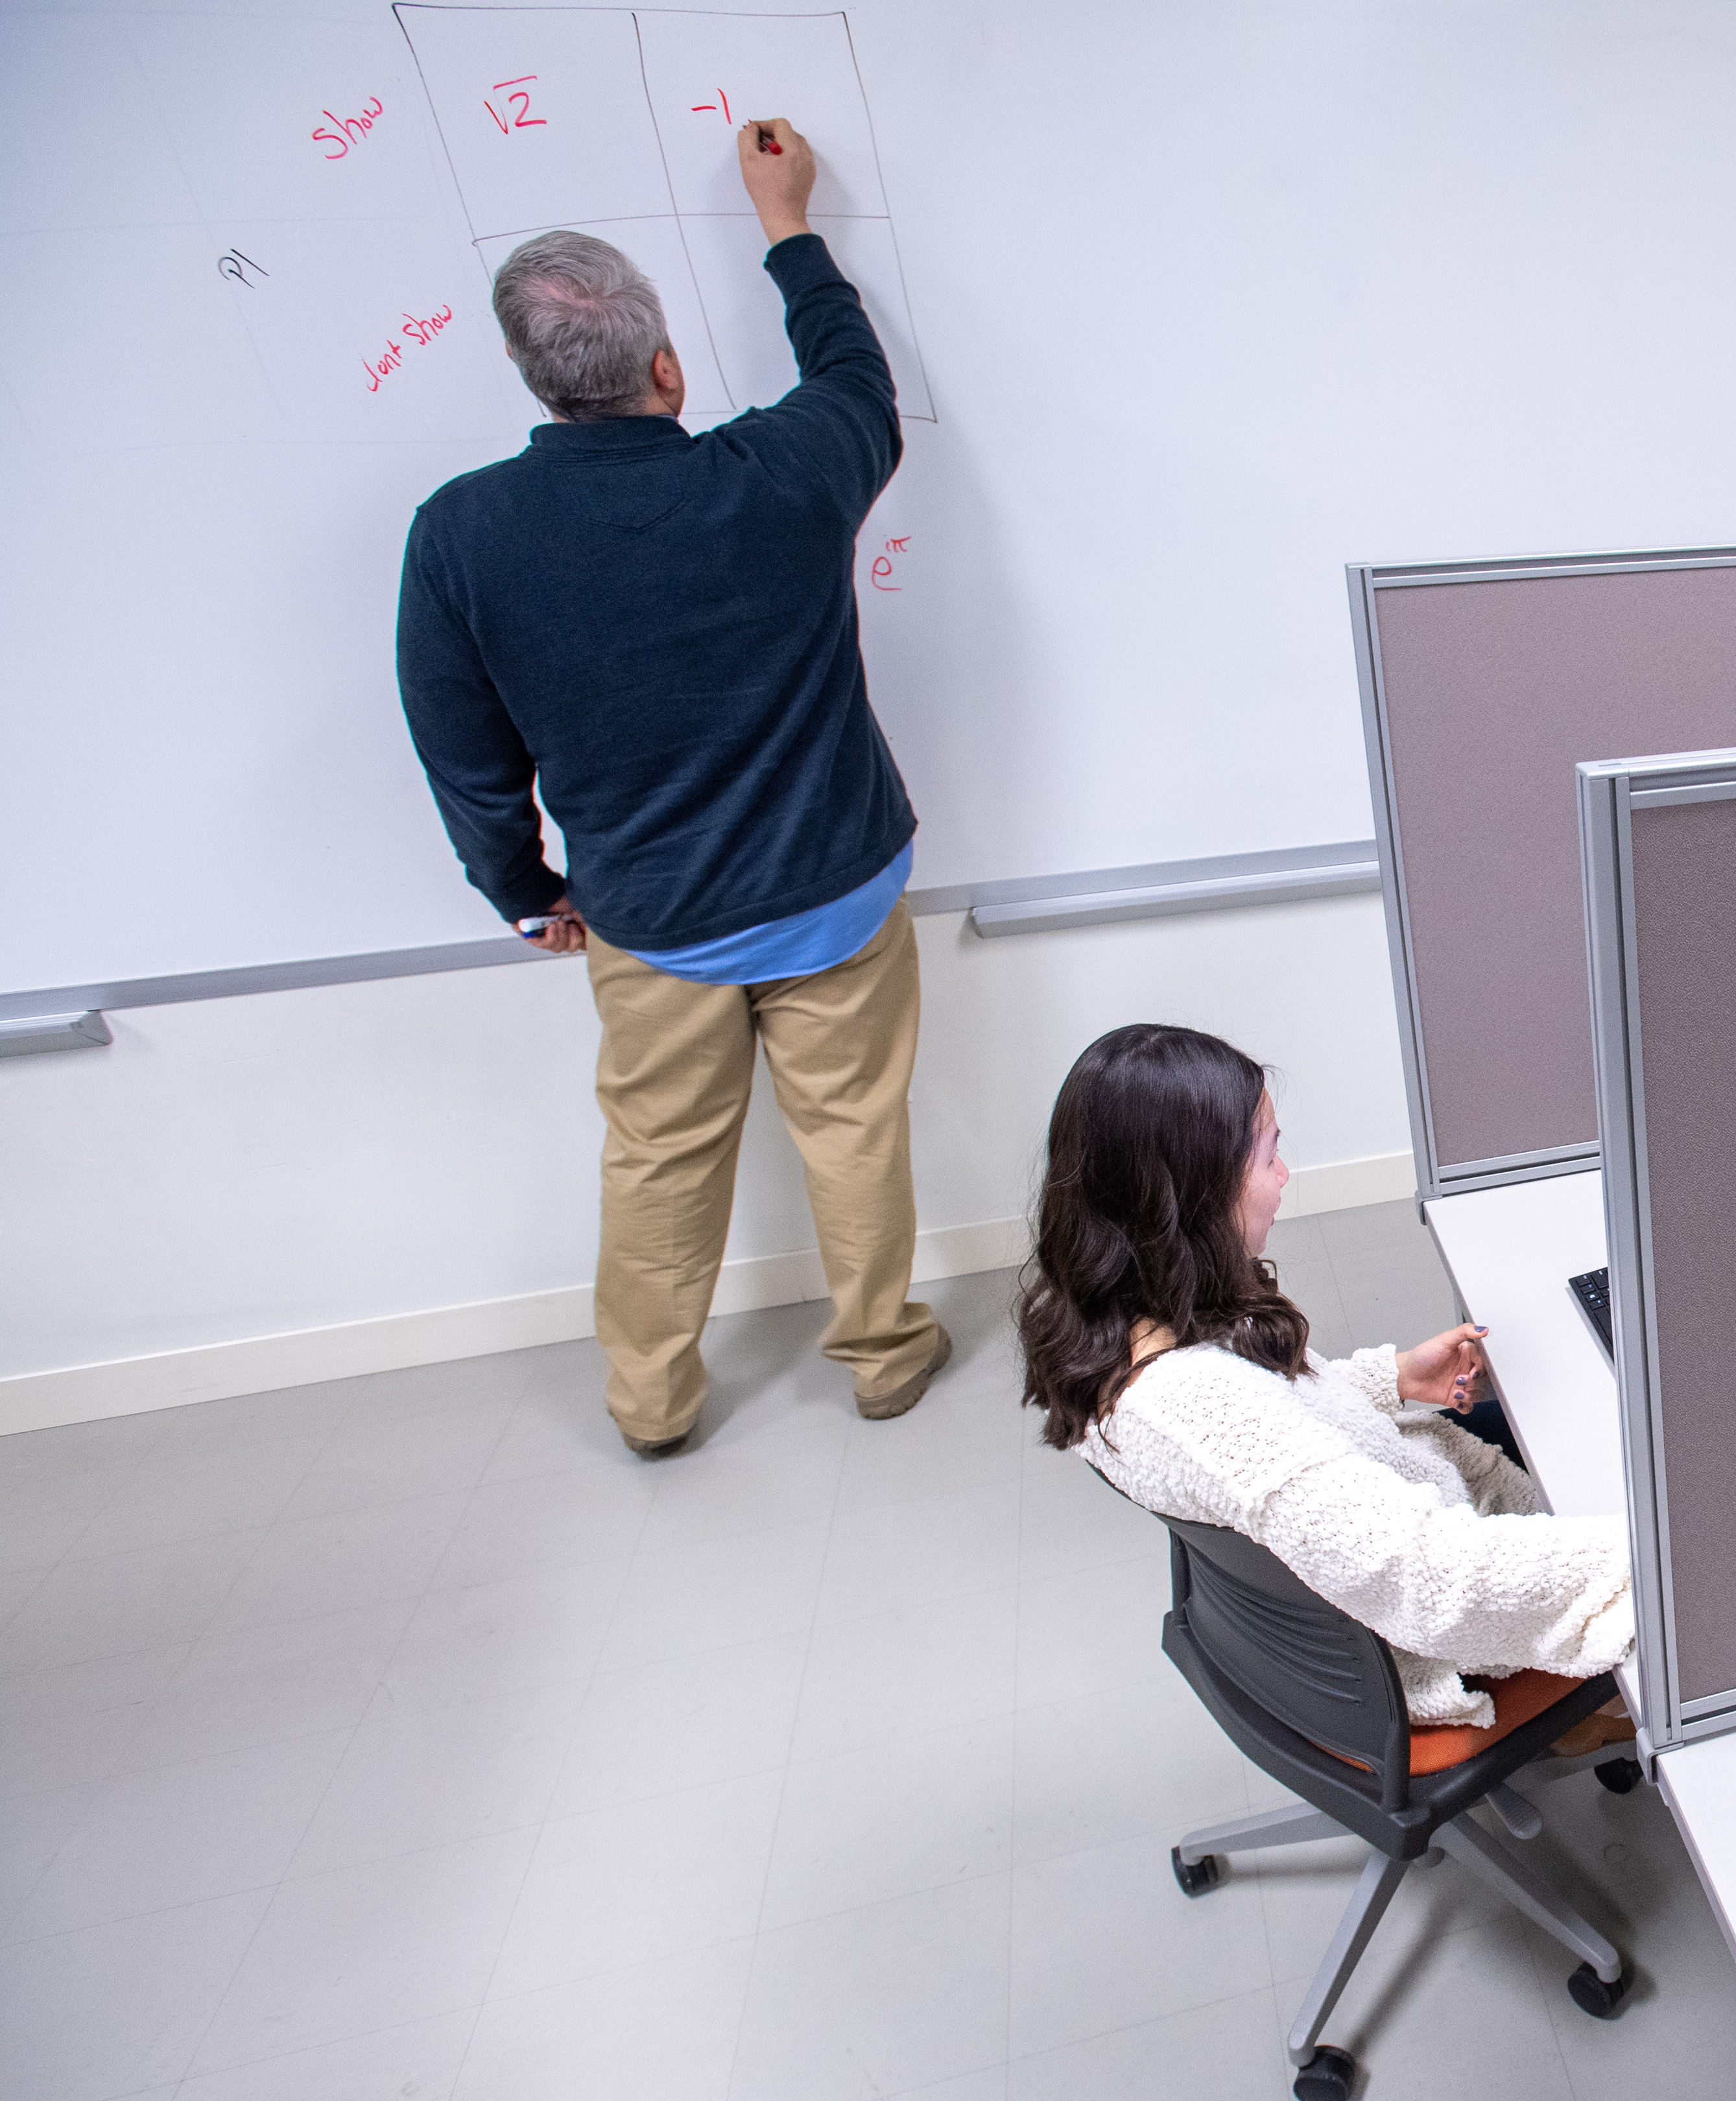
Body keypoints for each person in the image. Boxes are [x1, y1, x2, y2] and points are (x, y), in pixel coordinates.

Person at [396, 118, 944, 1459]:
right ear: (665, 364)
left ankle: (650, 1401)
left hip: (650, 921)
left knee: (657, 1164)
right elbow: (855, 379)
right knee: (856, 1132)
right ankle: (880, 1357)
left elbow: (463, 753)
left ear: (536, 381)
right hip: (837, 892)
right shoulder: (782, 473)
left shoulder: (462, 533)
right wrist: (787, 222)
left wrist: (528, 896)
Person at [1016, 1026, 1633, 1740]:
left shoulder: (1114, 1319)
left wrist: (1392, 1378)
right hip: (1436, 1632)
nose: (1284, 1174)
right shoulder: (1197, 1409)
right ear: (1189, 1192)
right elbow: (1435, 1579)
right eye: (1269, 1153)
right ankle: (1588, 1716)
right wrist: (1667, 1551)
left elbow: (1278, 1426)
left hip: (1376, 1562)